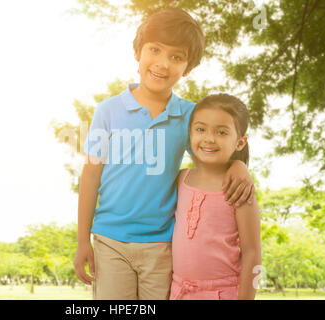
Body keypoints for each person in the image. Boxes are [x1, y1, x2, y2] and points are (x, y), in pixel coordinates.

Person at [74, 8, 255, 300]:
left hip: (161, 245)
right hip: (110, 241)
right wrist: (83, 239)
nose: (162, 63)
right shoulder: (107, 110)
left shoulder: (189, 115)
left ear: (188, 67)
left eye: (176, 57)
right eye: (154, 50)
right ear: (138, 52)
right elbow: (91, 175)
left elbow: (213, 152)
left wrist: (239, 166)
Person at [170, 93, 262, 300]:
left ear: (239, 142)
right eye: (201, 129)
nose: (209, 138)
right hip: (178, 292)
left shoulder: (239, 189)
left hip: (223, 293)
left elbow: (252, 254)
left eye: (221, 132)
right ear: (189, 134)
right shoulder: (179, 179)